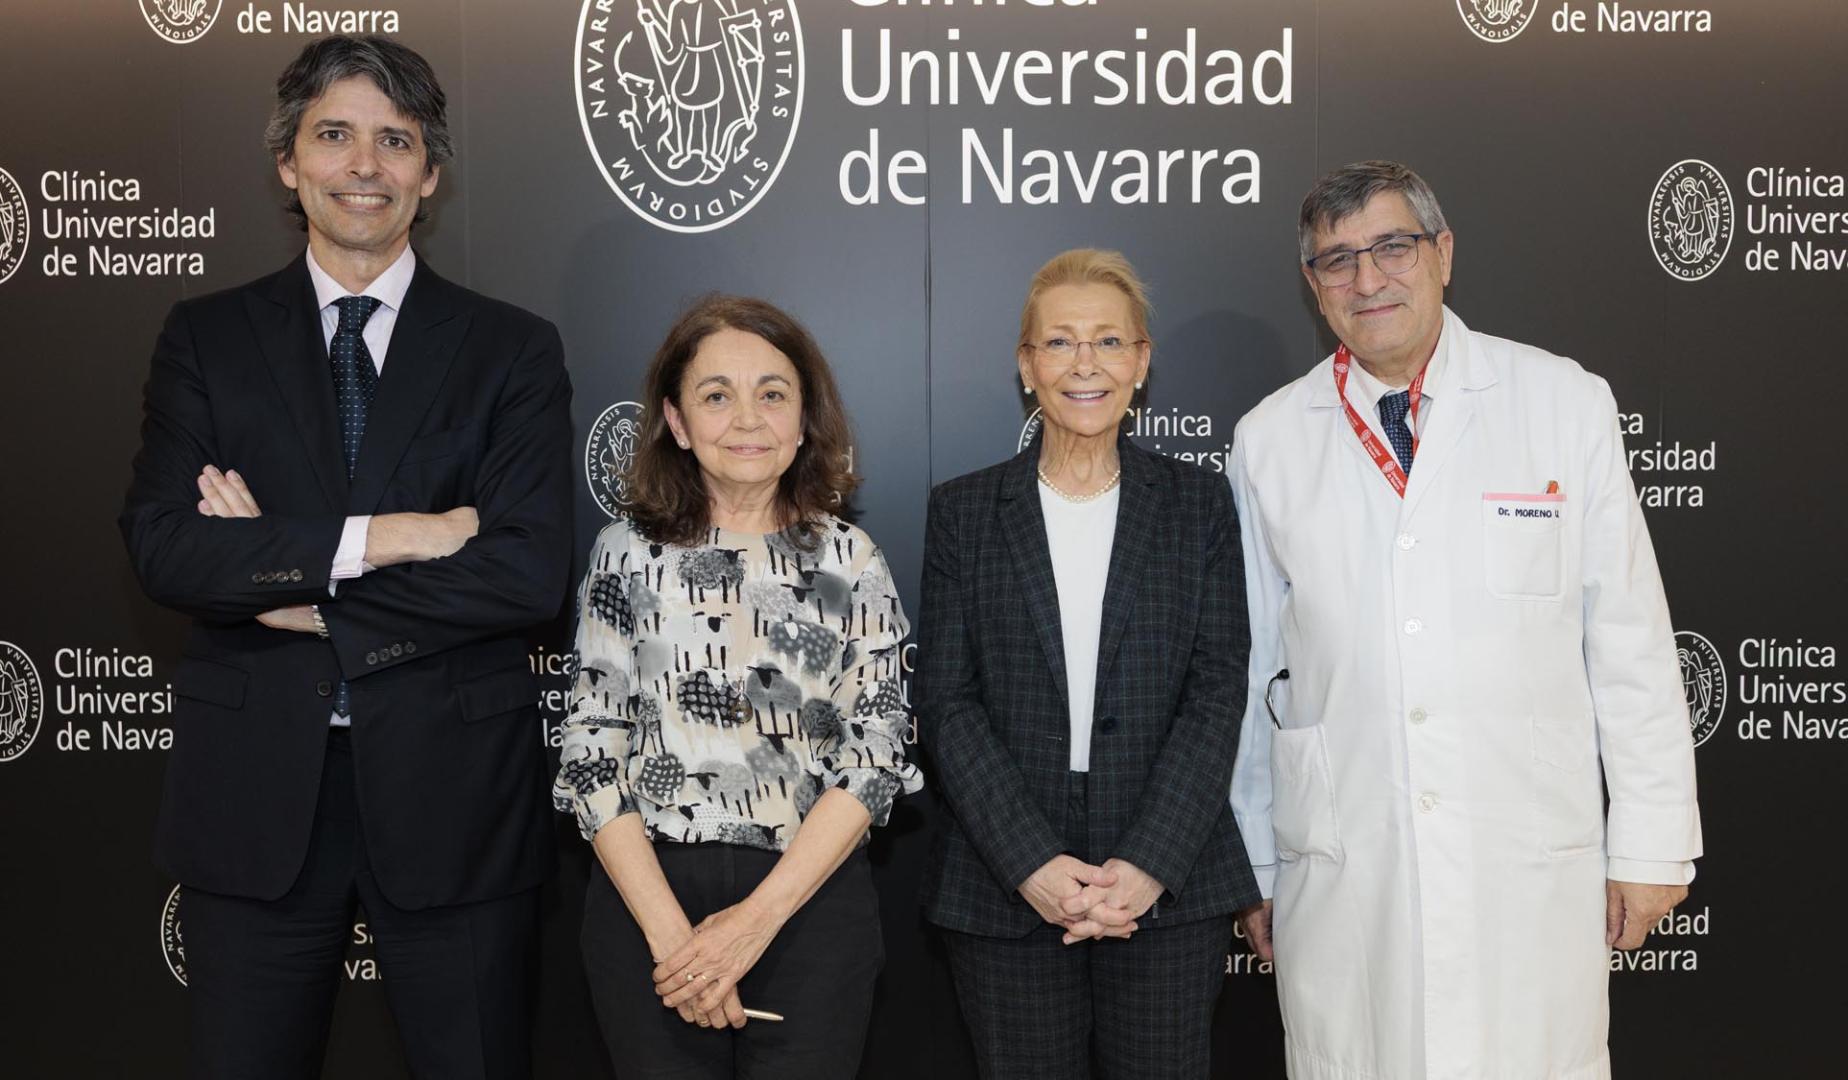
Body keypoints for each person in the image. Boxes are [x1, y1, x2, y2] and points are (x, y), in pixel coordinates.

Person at [118, 35, 573, 1079]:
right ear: (288, 162)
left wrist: (304, 591)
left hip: (457, 801)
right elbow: (168, 548)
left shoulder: (511, 348)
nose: (364, 165)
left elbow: (525, 570)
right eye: (335, 135)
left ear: (430, 173)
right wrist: (394, 538)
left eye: (394, 140)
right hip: (255, 805)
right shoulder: (206, 339)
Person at [1229, 160, 1703, 1079]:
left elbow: (1631, 639)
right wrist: (1256, 865)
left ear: (1443, 254)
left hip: (1523, 861)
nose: (1368, 280)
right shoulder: (1271, 440)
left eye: (1392, 247)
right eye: (1337, 261)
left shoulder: (1564, 402)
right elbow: (1255, 673)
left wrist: (1651, 839)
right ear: (1312, 286)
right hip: (1346, 861)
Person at [554, 294, 920, 1080]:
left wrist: (753, 924)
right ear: (677, 423)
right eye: (717, 395)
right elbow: (589, 753)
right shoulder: (623, 554)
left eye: (773, 393)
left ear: (804, 418)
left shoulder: (852, 561)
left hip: (807, 904)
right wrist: (676, 944)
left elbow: (878, 753)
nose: (747, 419)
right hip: (646, 901)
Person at [917, 249, 1258, 1079]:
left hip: (1166, 882)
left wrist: (1149, 863)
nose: (1085, 364)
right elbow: (946, 700)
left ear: (1141, 363)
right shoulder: (963, 511)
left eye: (1109, 341)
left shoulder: (1198, 504)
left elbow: (1218, 687)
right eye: (1060, 342)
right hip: (1008, 884)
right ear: (1026, 365)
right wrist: (1029, 860)